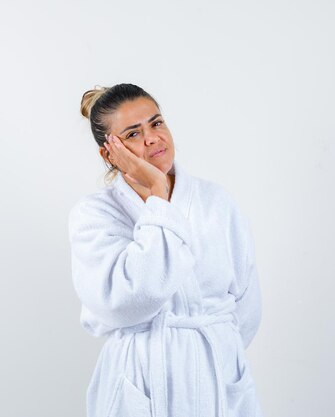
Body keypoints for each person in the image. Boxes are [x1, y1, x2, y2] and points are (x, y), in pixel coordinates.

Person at [68, 83, 264, 417]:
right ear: (108, 153)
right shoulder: (96, 216)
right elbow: (128, 300)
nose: (152, 138)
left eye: (156, 123)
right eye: (133, 134)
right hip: (141, 376)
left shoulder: (215, 202)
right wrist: (158, 195)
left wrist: (211, 353)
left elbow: (246, 306)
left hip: (218, 373)